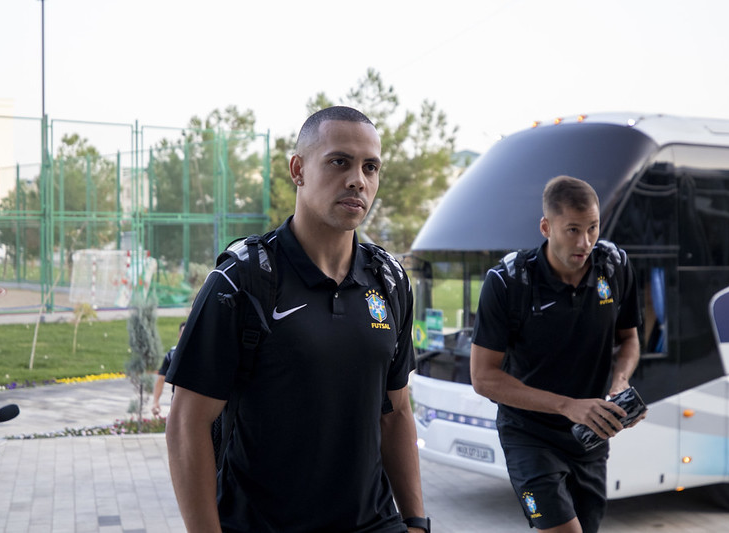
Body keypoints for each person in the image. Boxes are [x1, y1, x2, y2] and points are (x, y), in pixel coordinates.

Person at [165, 106, 428, 533]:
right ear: (298, 169)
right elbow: (186, 422)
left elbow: (395, 412)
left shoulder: (390, 280)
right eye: (339, 161)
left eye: (370, 166)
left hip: (375, 523)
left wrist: (415, 520)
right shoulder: (242, 280)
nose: (358, 179)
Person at [470, 175, 643, 533]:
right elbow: (483, 378)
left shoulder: (615, 265)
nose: (586, 242)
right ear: (546, 227)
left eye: (593, 228)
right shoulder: (508, 280)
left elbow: (629, 339)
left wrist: (619, 383)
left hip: (590, 438)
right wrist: (568, 405)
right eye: (573, 230)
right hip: (528, 435)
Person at [151, 321, 186, 417]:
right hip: (177, 400)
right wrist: (155, 401)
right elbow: (161, 379)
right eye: (184, 333)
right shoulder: (172, 355)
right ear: (179, 335)